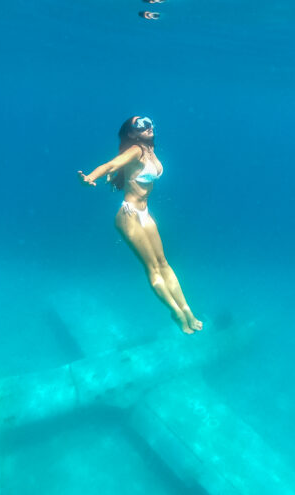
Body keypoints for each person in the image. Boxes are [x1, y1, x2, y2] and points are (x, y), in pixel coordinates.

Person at [78, 116, 203, 334]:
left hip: (145, 213)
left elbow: (123, 169)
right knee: (152, 267)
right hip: (129, 215)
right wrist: (91, 177)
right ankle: (176, 312)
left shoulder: (149, 150)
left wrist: (115, 175)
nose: (147, 126)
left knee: (163, 263)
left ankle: (187, 310)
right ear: (131, 134)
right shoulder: (136, 150)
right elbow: (111, 164)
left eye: (148, 122)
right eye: (140, 125)